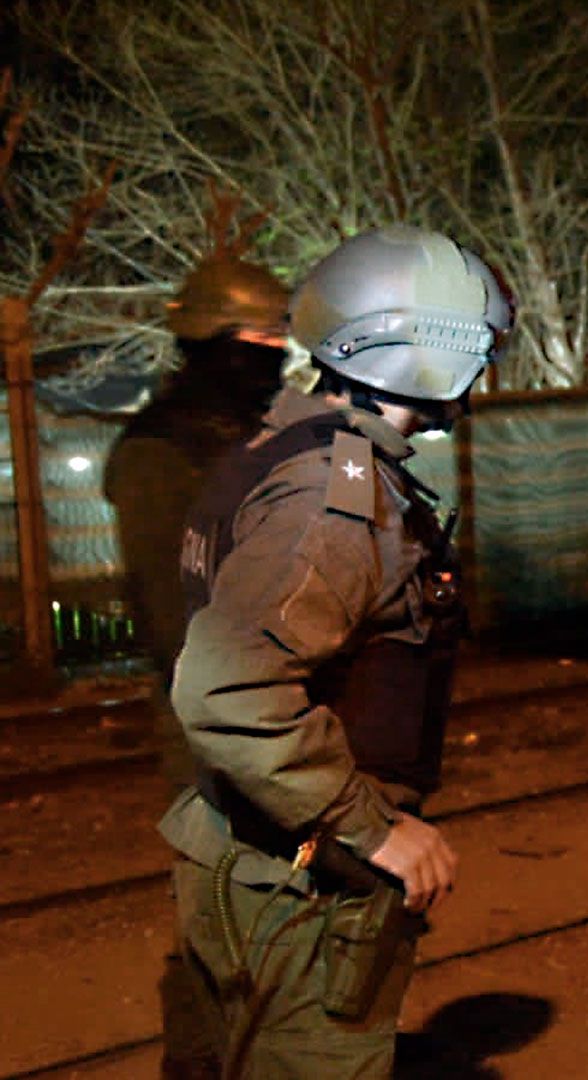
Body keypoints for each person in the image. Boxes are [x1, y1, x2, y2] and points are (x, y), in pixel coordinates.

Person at [162, 224, 513, 1077]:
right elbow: (225, 688)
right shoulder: (335, 502)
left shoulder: (282, 448)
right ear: (427, 350)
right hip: (298, 881)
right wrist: (374, 828)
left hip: (256, 852)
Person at [102, 254, 292, 1080]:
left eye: (281, 338)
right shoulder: (161, 451)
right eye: (258, 338)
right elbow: (172, 612)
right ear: (211, 341)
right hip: (220, 720)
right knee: (223, 926)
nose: (274, 353)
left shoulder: (252, 434)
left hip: (286, 707)